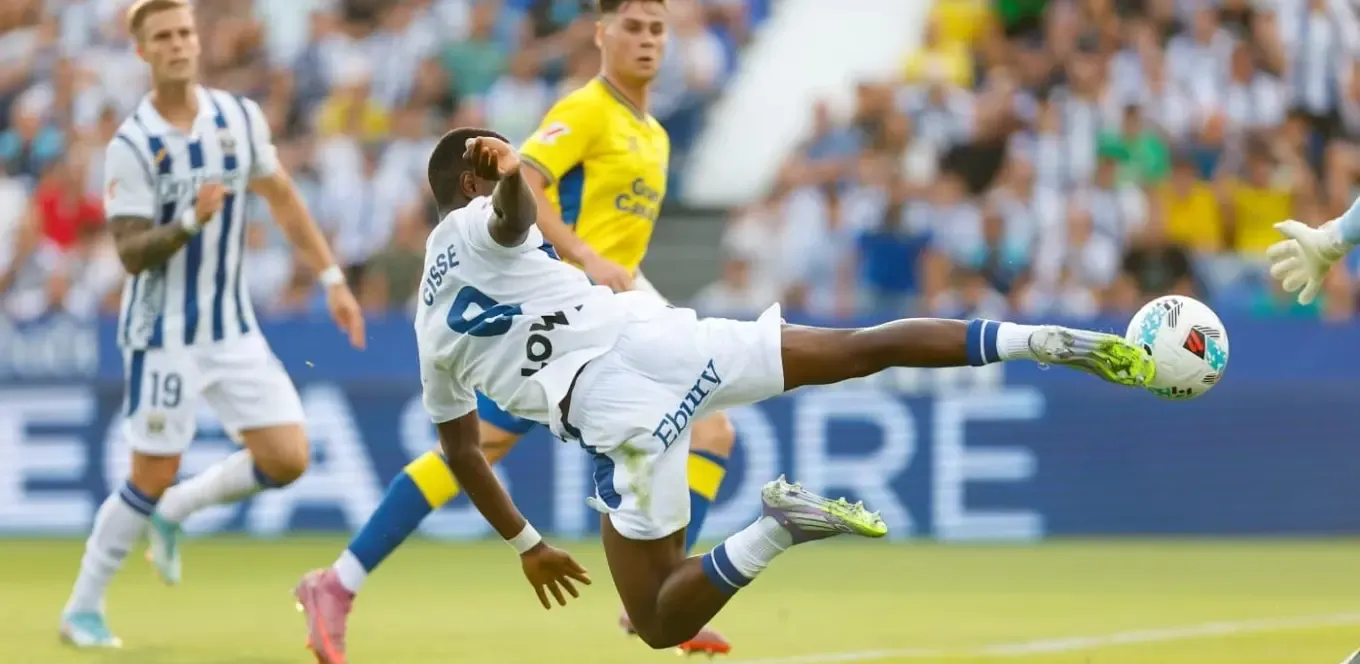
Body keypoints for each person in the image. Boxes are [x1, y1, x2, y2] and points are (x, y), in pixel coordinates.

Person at [298, 129, 1156, 663]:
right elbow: (511, 217)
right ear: (468, 184)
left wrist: (526, 543)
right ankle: (1034, 338)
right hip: (661, 339)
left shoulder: (428, 334)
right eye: (493, 160)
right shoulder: (473, 222)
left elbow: (459, 451)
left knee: (657, 620)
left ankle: (778, 526)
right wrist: (514, 171)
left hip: (618, 412)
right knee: (858, 349)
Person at [300, 0, 740, 656]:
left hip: (615, 304)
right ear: (601, 34)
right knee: (483, 447)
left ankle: (660, 590)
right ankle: (338, 581)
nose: (647, 39)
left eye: (657, 29)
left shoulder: (654, 132)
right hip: (562, 314)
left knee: (708, 428)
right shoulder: (585, 109)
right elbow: (523, 184)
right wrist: (585, 254)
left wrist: (613, 269)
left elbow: (613, 234)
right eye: (633, 27)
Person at [58, 0, 365, 648]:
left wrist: (332, 278)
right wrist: (192, 220)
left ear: (198, 42)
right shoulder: (132, 144)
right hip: (162, 334)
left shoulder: (238, 117)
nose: (177, 44)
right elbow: (130, 252)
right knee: (150, 473)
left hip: (231, 325)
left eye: (185, 33)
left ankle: (180, 509)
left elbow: (282, 196)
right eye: (163, 37)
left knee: (288, 457)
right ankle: (82, 609)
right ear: (142, 51)